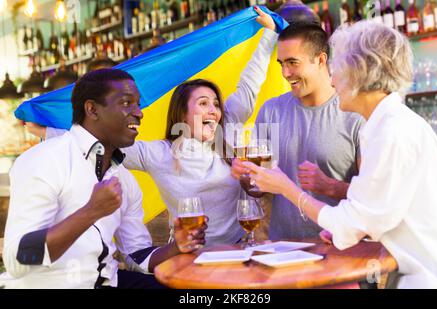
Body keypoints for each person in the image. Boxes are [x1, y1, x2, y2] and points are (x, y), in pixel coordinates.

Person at [20, 7, 279, 246]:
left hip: (237, 251)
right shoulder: (159, 153)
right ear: (183, 115)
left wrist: (269, 33)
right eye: (203, 103)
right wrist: (44, 129)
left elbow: (250, 82)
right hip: (186, 256)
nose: (213, 110)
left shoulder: (228, 125)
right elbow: (98, 141)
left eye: (215, 104)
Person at [243, 21, 437, 288]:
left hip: (427, 276)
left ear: (359, 74)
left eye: (337, 69)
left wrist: (287, 188)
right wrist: (342, 229)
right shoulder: (384, 125)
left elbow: (352, 221)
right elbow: (369, 212)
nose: (332, 79)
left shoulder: (390, 132)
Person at [2, 69, 207, 289]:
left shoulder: (125, 180)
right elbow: (17, 260)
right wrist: (91, 211)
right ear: (92, 109)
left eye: (138, 104)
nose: (139, 113)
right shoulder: (44, 160)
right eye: (127, 103)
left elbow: (137, 255)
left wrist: (177, 246)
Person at [232, 23, 364, 240]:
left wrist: (331, 187)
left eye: (293, 63)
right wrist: (247, 176)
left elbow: (374, 200)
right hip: (283, 254)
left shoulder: (355, 112)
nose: (285, 73)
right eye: (281, 64)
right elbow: (258, 189)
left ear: (321, 60)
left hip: (341, 252)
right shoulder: (270, 111)